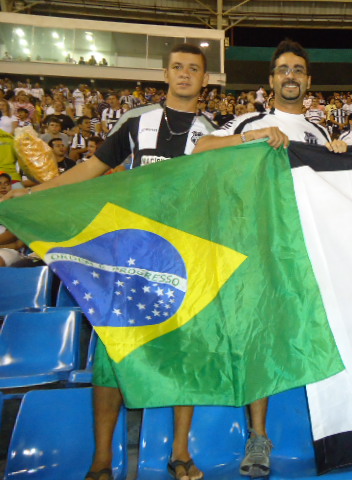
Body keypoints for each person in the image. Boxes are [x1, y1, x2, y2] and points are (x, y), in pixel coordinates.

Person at [1, 43, 216, 480]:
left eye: (193, 69)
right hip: (130, 255)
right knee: (112, 355)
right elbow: (87, 171)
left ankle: (180, 454)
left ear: (204, 80)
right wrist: (29, 195)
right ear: (165, 73)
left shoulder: (212, 132)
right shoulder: (137, 125)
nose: (185, 74)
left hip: (184, 256)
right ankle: (101, 461)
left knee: (182, 354)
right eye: (177, 67)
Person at [194, 39, 347, 477]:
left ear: (308, 80)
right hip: (259, 247)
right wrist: (252, 136)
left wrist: (338, 156)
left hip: (310, 251)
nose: (291, 76)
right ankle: (258, 438)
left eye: (298, 69)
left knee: (321, 336)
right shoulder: (251, 119)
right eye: (283, 69)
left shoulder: (321, 133)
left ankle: (331, 431)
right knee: (258, 338)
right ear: (271, 80)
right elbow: (201, 149)